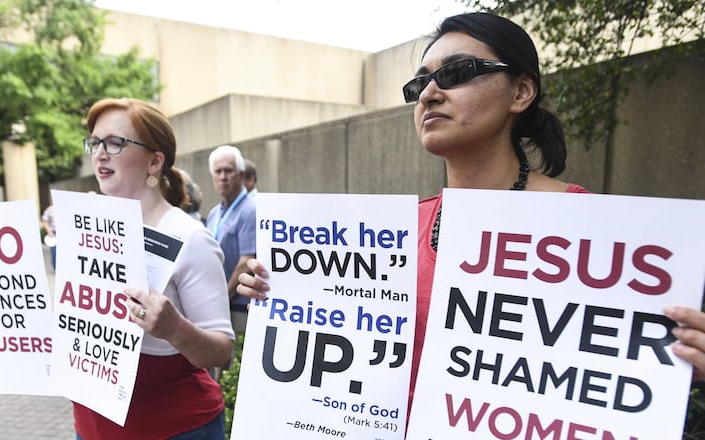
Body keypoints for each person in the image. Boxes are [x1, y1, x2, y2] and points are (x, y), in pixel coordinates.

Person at [236, 11, 705, 419]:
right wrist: (286, 292)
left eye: (458, 72)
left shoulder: (596, 234)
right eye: (420, 82)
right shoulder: (401, 230)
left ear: (521, 92)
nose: (429, 94)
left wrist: (685, 360)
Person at [0, 97, 235, 440]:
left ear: (154, 161)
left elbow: (222, 350)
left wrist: (175, 328)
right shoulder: (86, 225)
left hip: (173, 429)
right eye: (96, 142)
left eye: (115, 143)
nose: (100, 152)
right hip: (92, 427)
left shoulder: (191, 238)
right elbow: (76, 320)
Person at [206, 145, 256, 333]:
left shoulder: (249, 210)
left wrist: (223, 297)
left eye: (228, 171)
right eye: (218, 172)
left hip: (237, 306)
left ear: (241, 175)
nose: (223, 177)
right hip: (216, 304)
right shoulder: (214, 213)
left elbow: (247, 261)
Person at [41, 203, 56, 270]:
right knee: (54, 252)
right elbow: (45, 221)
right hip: (54, 233)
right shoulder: (50, 209)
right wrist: (49, 231)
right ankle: (56, 267)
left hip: (64, 233)